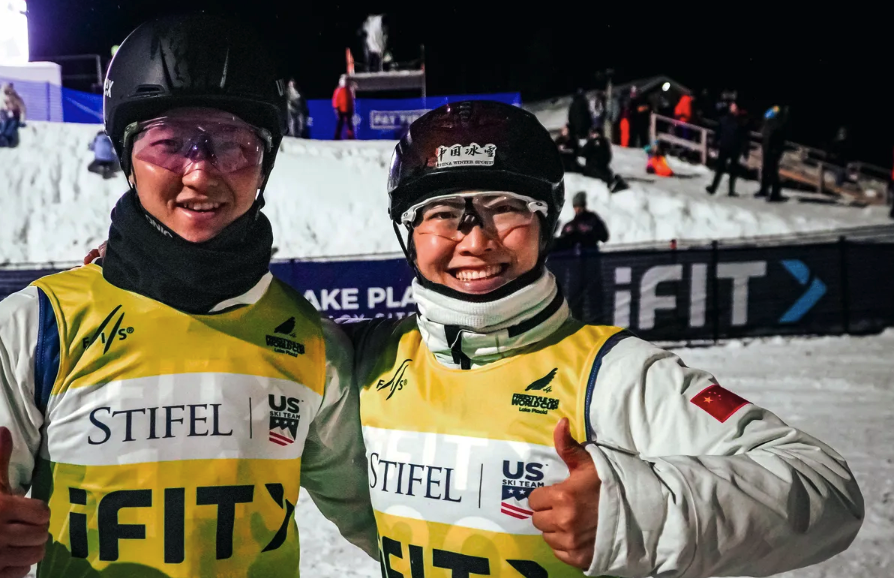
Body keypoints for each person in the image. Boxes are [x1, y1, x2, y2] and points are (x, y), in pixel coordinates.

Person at [0, 13, 377, 578]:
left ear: (265, 165)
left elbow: (387, 519)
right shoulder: (37, 326)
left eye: (233, 145)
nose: (200, 174)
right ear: (127, 157)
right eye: (169, 144)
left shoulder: (310, 341)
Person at [349, 99, 863, 577]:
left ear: (546, 222)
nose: (476, 240)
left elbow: (826, 488)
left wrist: (640, 514)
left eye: (505, 206)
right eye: (441, 213)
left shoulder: (615, 372)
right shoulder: (372, 359)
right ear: (408, 232)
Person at [553, 191, 609, 322]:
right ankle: (577, 325)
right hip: (575, 270)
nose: (578, 209)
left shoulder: (592, 220)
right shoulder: (570, 225)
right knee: (576, 299)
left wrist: (589, 234)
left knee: (595, 298)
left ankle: (597, 325)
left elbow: (604, 236)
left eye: (580, 206)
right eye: (576, 206)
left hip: (592, 266)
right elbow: (561, 246)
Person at [706, 101, 749, 196]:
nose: (734, 109)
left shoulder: (741, 121)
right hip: (724, 146)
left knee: (733, 170)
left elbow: (744, 137)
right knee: (720, 169)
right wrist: (714, 144)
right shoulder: (724, 119)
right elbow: (718, 132)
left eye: (735, 107)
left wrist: (745, 150)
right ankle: (713, 188)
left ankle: (731, 190)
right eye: (732, 107)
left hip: (735, 148)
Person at [756, 104, 790, 202]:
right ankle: (764, 190)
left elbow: (779, 136)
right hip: (767, 147)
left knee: (772, 170)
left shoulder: (779, 123)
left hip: (774, 149)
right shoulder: (768, 124)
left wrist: (776, 149)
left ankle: (775, 193)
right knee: (765, 169)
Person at [581, 127, 629, 192]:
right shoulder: (593, 143)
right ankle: (613, 184)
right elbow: (582, 153)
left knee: (607, 174)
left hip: (599, 166)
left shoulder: (601, 142)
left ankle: (615, 184)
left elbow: (607, 156)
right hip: (594, 167)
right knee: (605, 175)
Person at [0, 82, 26, 148]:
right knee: (4, 123)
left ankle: (6, 137)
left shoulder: (17, 99)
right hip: (4, 113)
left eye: (8, 92)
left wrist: (22, 121)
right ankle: (2, 136)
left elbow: (23, 110)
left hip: (15, 115)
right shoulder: (1, 99)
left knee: (13, 123)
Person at [332, 74, 356, 140]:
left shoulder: (349, 90)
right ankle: (337, 136)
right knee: (340, 124)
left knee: (349, 124)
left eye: (346, 80)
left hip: (348, 109)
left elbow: (351, 100)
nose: (345, 82)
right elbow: (335, 100)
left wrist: (352, 109)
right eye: (344, 80)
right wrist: (336, 108)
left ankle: (350, 136)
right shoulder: (338, 90)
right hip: (340, 110)